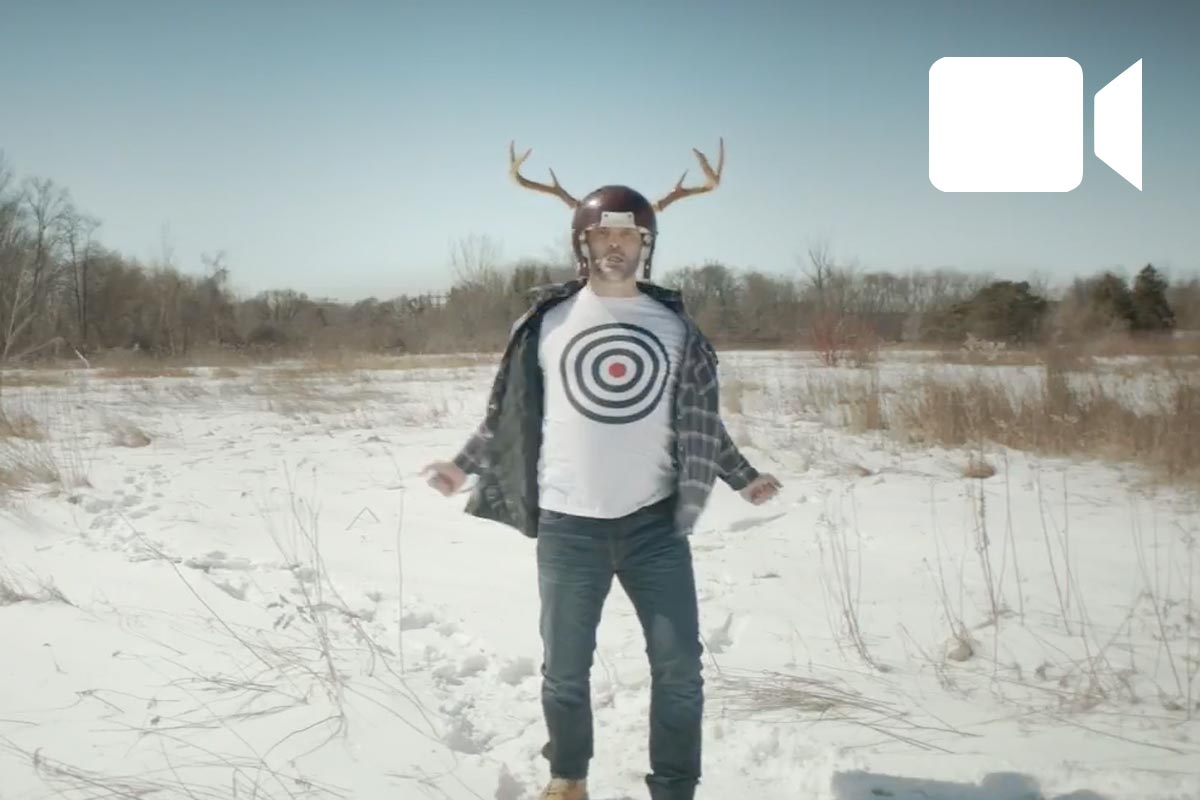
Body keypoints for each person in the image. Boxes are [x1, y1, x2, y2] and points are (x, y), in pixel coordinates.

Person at [423, 140, 781, 800]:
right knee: (564, 669)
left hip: (655, 528)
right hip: (568, 528)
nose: (616, 245)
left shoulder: (677, 328)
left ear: (647, 244)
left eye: (630, 234)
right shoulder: (545, 322)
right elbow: (511, 417)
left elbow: (702, 420)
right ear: (582, 244)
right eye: (603, 234)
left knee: (680, 670)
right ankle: (568, 778)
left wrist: (742, 475)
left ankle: (675, 789)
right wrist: (460, 465)